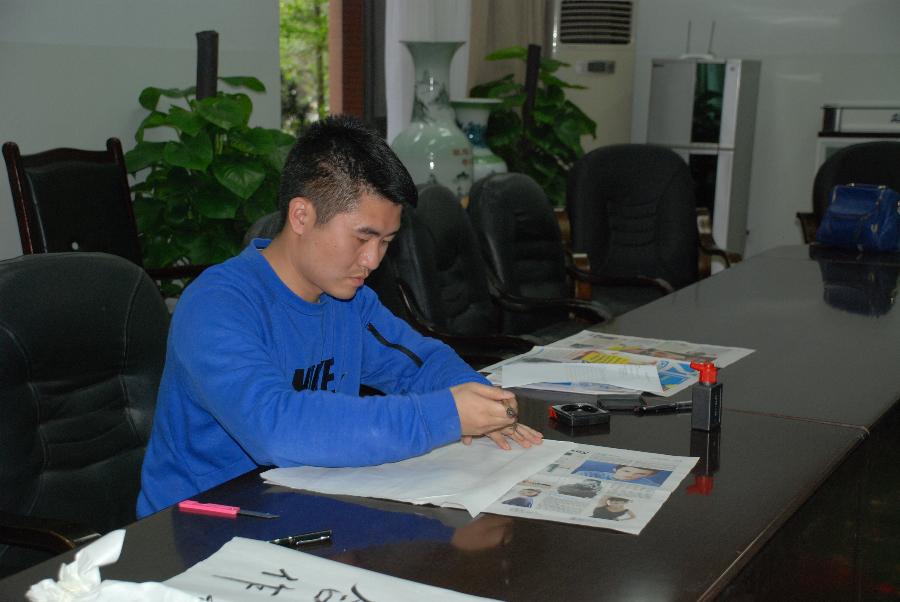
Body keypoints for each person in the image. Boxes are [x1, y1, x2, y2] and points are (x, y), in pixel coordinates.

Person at [136, 115, 542, 517]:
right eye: (363, 238)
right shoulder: (216, 305)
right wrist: (445, 415)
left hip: (300, 503)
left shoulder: (349, 300)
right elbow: (276, 429)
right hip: (199, 525)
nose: (373, 260)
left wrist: (482, 401)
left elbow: (420, 362)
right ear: (301, 216)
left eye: (386, 242)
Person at [574, 462, 661, 486]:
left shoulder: (650, 485)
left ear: (649, 475)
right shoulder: (586, 474)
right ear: (615, 469)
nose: (630, 475)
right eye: (626, 471)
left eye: (640, 474)